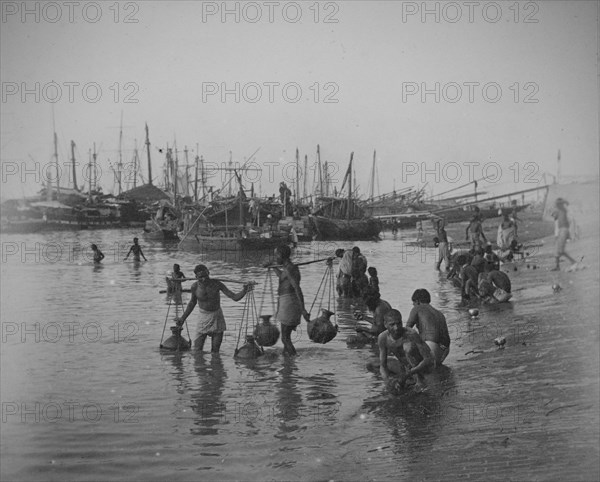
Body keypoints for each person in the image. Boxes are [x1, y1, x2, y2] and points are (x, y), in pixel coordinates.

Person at [175, 264, 250, 353]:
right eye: (200, 277)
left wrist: (245, 290)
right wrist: (183, 318)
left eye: (206, 276)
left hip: (217, 317)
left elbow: (234, 297)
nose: (204, 279)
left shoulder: (217, 284)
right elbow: (192, 303)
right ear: (196, 277)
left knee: (215, 352)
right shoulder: (194, 287)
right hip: (203, 317)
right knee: (197, 351)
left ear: (208, 273)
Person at [378, 309, 434, 392]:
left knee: (407, 347)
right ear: (385, 324)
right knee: (372, 364)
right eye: (392, 324)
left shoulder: (411, 334)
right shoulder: (383, 337)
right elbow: (383, 365)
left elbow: (428, 359)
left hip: (422, 368)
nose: (396, 328)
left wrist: (409, 374)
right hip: (406, 368)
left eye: (399, 323)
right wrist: (387, 382)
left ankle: (419, 380)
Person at [271, 245, 310, 356]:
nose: (275, 257)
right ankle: (287, 363)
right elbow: (282, 277)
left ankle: (293, 359)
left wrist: (303, 310)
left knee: (284, 338)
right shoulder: (287, 268)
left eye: (276, 255)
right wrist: (273, 267)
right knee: (286, 337)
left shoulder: (290, 269)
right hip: (286, 303)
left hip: (290, 303)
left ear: (281, 255)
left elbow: (297, 288)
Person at [405, 289, 450, 367]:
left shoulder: (417, 308)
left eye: (413, 303)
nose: (413, 305)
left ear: (417, 301)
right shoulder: (439, 313)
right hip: (444, 350)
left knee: (406, 344)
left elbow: (406, 329)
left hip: (431, 347)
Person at [551, 198, 577, 271]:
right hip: (561, 231)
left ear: (560, 204)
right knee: (557, 250)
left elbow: (560, 202)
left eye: (557, 204)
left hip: (563, 230)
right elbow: (554, 215)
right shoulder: (559, 211)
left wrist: (563, 201)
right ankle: (557, 266)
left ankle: (573, 261)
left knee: (560, 250)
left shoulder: (563, 209)